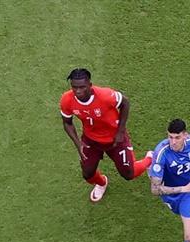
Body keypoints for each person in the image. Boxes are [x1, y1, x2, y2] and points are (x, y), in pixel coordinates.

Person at [59, 68, 153, 203]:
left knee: (128, 174)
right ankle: (102, 182)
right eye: (74, 87)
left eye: (82, 87)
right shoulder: (67, 99)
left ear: (90, 85)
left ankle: (150, 158)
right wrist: (78, 144)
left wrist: (120, 132)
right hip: (90, 141)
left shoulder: (105, 95)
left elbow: (125, 103)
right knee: (87, 173)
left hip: (116, 140)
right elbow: (67, 123)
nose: (78, 91)